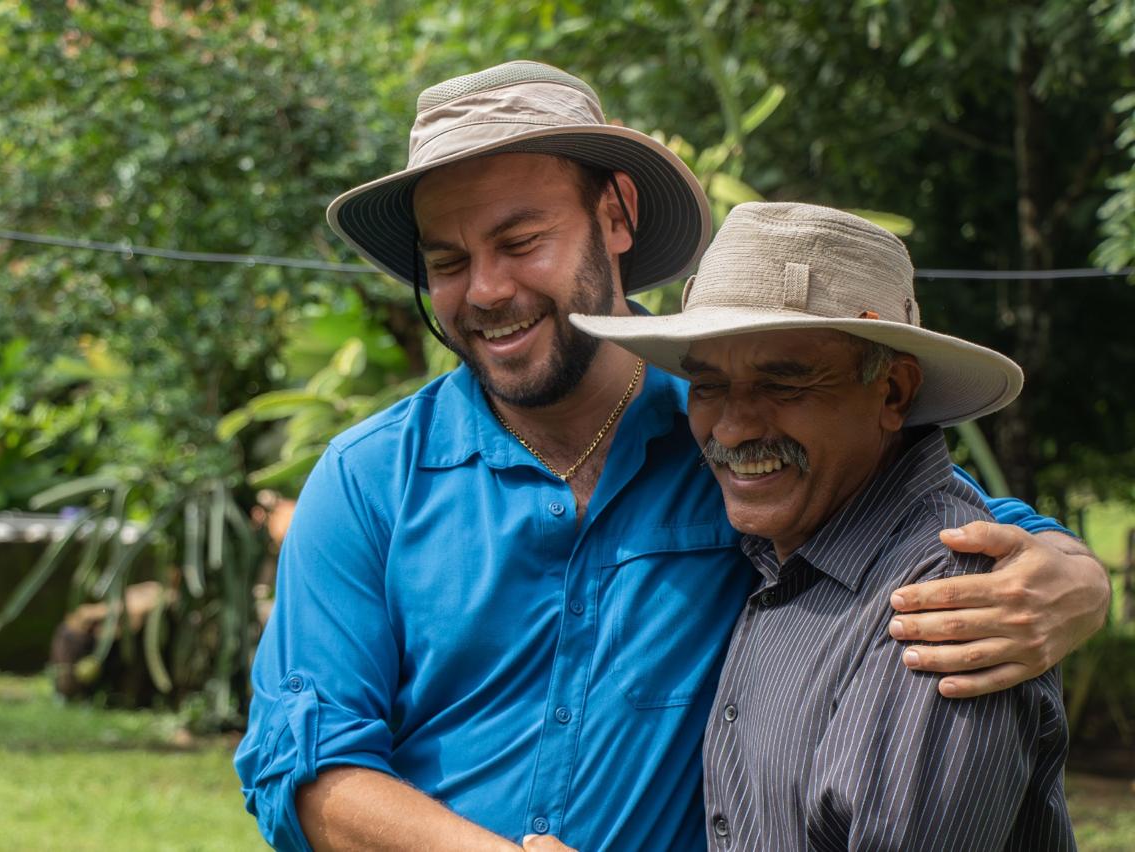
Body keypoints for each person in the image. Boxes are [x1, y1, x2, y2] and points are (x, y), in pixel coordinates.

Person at [234, 61, 1108, 851]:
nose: (487, 289)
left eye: (520, 241)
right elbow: (300, 766)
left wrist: (1077, 578)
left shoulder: (733, 445)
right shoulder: (368, 483)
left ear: (615, 215)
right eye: (449, 260)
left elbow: (937, 524)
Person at [572, 202, 1074, 850]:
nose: (732, 428)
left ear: (892, 393)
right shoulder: (779, 549)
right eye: (708, 386)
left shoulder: (946, 603)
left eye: (785, 383)